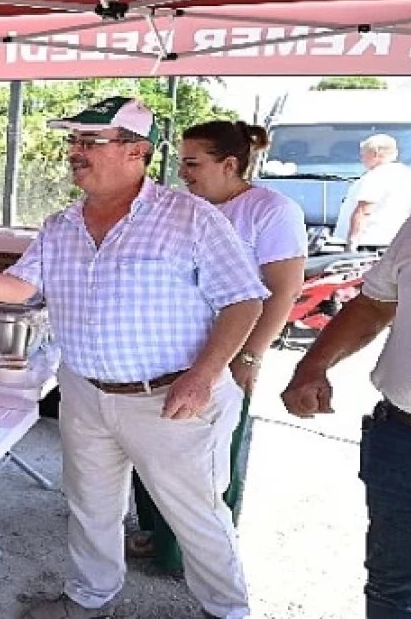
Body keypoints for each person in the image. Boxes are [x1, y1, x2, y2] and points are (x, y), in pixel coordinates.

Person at [0, 97, 268, 619]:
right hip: (85, 390)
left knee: (195, 515)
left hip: (172, 395)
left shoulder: (190, 217)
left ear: (137, 151)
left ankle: (228, 612)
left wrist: (205, 375)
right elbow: (21, 286)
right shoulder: (62, 224)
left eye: (90, 141)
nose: (75, 152)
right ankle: (90, 599)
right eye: (72, 141)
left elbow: (244, 299)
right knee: (90, 506)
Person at [126, 120, 309, 570]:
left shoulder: (270, 210)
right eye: (181, 163)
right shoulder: (187, 206)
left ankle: (197, 556)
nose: (183, 173)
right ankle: (156, 532)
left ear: (230, 164)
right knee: (155, 449)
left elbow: (282, 290)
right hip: (167, 351)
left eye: (193, 163)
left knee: (207, 462)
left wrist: (250, 355)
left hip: (225, 355)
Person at [283, 194, 411, 619]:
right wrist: (313, 364)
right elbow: (375, 304)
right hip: (405, 443)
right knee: (394, 592)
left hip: (406, 446)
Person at [333, 134, 411, 252]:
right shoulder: (405, 174)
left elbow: (363, 211)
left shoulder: (377, 175)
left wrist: (352, 243)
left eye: (363, 155)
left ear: (375, 154)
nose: (362, 159)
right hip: (390, 241)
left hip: (366, 244)